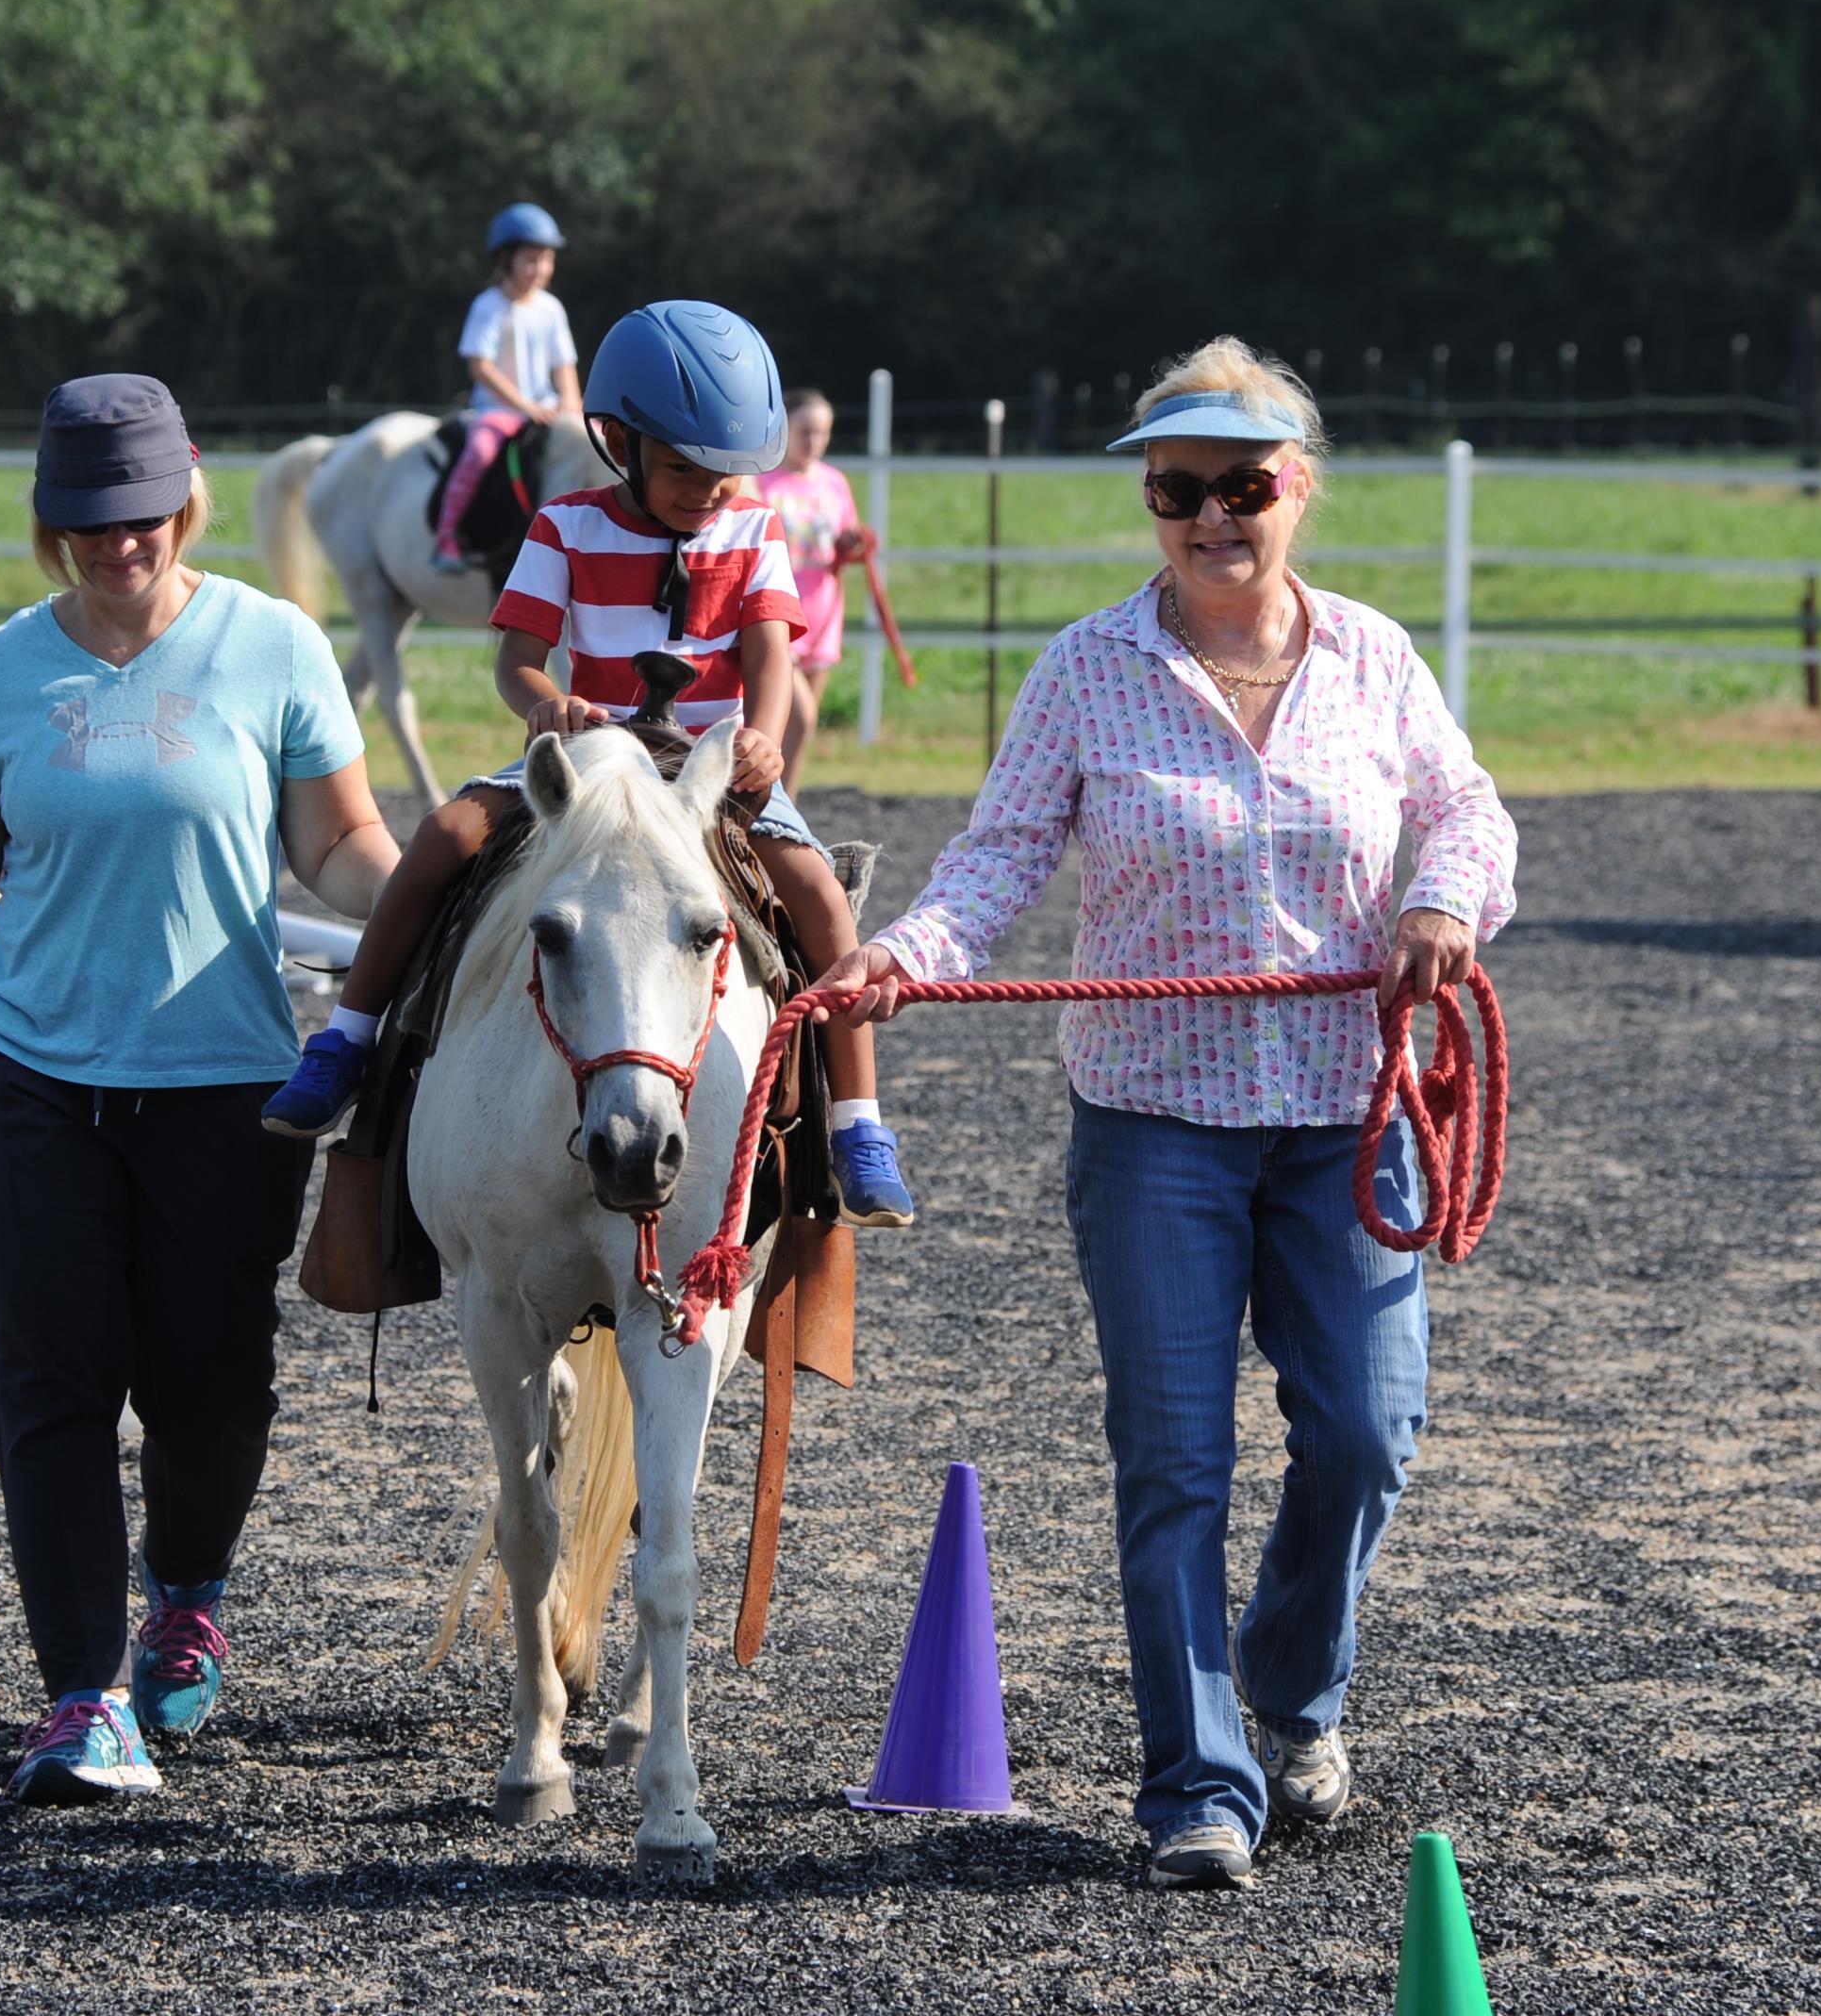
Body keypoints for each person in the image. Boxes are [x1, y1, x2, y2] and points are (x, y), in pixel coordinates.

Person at [810, 338, 1516, 1889]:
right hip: (1153, 1124)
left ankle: (1293, 1683)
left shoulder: (1375, 659)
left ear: (1298, 490)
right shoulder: (1086, 668)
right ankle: (1198, 1784)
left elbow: (1465, 807)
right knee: (1175, 1462)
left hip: (1347, 1110)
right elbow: (999, 857)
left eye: (1242, 487)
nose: (1210, 517)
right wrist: (906, 957)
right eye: (1177, 489)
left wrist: (1447, 902)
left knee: (1369, 1434)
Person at [0, 374, 400, 1806]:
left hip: (226, 1087)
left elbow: (338, 846)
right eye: (87, 520)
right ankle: (83, 1699)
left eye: (139, 515)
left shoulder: (273, 644)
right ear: (49, 521)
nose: (116, 543)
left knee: (213, 1391)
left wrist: (439, 909)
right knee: (49, 1383)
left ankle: (186, 1592)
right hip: (20, 1078)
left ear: (184, 502)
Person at [263, 301, 915, 1227]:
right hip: (591, 756)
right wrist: (546, 704)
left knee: (816, 892)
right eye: (684, 469)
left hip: (712, 767)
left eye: (727, 473)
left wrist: (763, 738)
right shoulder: (564, 526)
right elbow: (516, 660)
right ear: (619, 443)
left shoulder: (755, 529)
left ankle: (857, 1124)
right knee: (442, 837)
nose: (708, 492)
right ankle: (348, 1040)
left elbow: (769, 656)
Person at [432, 203, 583, 573]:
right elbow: (480, 367)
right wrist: (526, 406)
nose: (540, 268)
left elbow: (564, 365)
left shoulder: (551, 309)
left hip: (547, 408)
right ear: (505, 259)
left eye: (546, 259)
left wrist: (572, 404)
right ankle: (447, 537)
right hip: (498, 410)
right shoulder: (489, 306)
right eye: (530, 260)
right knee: (479, 455)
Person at [755, 388, 874, 783]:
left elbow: (843, 536)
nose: (814, 441)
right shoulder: (763, 483)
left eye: (822, 432)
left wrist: (852, 543)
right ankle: (772, 801)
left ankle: (786, 803)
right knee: (798, 718)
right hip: (779, 615)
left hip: (823, 614)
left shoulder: (834, 483)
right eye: (805, 431)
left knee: (798, 732)